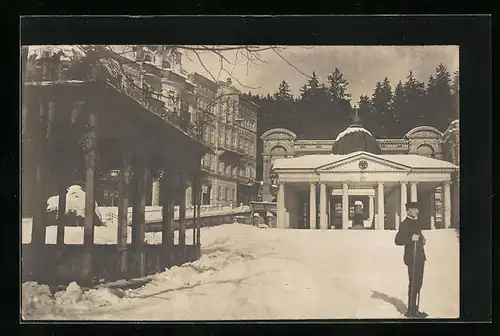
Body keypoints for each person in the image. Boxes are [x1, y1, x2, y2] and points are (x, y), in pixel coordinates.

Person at [395, 201, 428, 318]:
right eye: (414, 209)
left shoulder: (416, 222)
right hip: (412, 257)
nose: (417, 211)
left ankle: (415, 309)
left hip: (420, 257)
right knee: (414, 284)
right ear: (408, 210)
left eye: (417, 209)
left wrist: (422, 239)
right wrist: (410, 238)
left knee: (418, 283)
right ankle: (411, 312)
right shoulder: (405, 224)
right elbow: (398, 240)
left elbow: (418, 236)